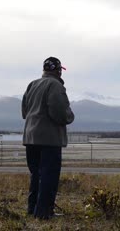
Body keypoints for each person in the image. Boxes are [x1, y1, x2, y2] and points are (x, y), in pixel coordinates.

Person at [21, 57, 75, 219]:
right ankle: (44, 213)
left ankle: (33, 209)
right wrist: (69, 117)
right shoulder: (55, 85)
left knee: (36, 174)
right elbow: (59, 112)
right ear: (58, 70)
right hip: (49, 140)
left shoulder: (32, 84)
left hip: (30, 138)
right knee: (48, 176)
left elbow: (24, 112)